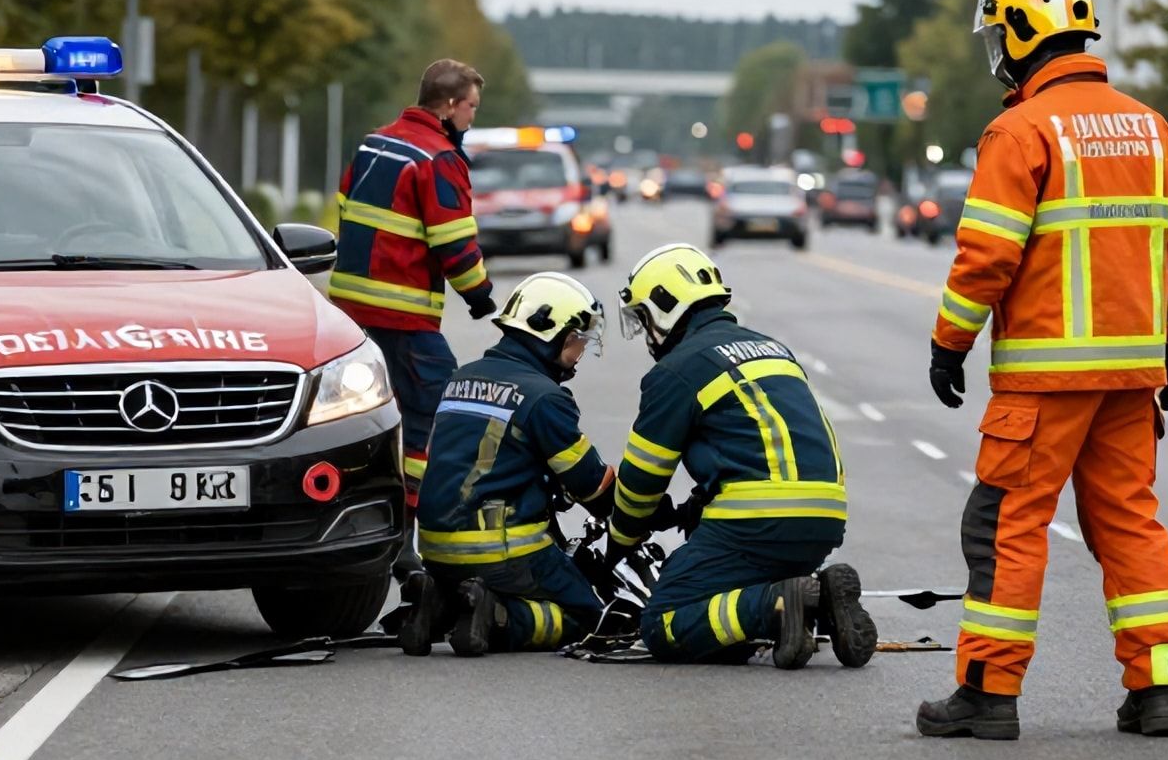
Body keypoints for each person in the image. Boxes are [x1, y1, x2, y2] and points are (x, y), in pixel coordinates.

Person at [917, 0, 1168, 741]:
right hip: (1131, 380)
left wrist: (949, 345)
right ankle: (1155, 689)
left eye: (999, 38)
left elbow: (986, 256)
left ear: (1021, 33)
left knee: (1005, 525)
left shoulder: (1021, 130)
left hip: (1043, 383)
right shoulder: (1152, 129)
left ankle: (987, 692)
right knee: (1130, 525)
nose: (998, 57)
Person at [609, 243, 876, 669]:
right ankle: (818, 598)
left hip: (757, 522)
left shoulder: (676, 370)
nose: (646, 334)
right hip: (825, 518)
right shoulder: (773, 348)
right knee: (729, 592)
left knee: (664, 621)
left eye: (644, 319)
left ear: (665, 306)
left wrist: (619, 542)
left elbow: (642, 481)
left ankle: (777, 607)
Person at [328, 59, 497, 575]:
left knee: (368, 419)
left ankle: (361, 522)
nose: (472, 117)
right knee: (439, 418)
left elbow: (344, 207)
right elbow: (454, 244)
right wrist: (483, 297)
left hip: (351, 313)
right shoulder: (440, 158)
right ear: (448, 106)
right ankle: (408, 536)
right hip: (404, 318)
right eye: (470, 107)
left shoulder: (373, 144)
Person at [398, 272, 616, 657]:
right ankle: (500, 618)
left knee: (472, 587)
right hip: (502, 552)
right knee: (590, 619)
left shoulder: (460, 379)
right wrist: (637, 510)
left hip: (434, 550)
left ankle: (441, 603)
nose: (578, 353)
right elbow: (592, 488)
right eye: (575, 341)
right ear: (549, 334)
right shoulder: (544, 397)